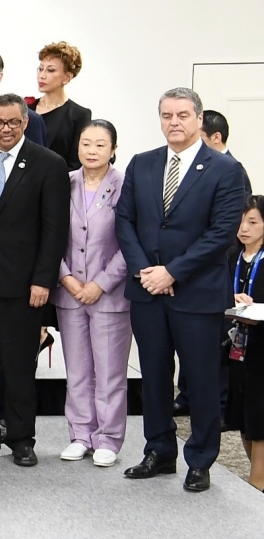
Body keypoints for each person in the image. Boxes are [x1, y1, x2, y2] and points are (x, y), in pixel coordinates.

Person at [119, 87, 251, 492]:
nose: (173, 122)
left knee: (200, 379)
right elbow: (124, 221)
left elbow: (222, 233)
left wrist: (172, 272)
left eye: (181, 115)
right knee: (154, 376)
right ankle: (159, 451)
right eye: (166, 115)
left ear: (198, 119)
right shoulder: (142, 164)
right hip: (147, 292)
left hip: (196, 293)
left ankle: (200, 460)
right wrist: (146, 271)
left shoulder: (225, 169)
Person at [0, 93, 70, 467]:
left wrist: (43, 280)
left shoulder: (48, 163)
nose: (5, 129)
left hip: (23, 284)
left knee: (19, 364)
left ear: (25, 122)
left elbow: (55, 230)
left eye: (13, 122)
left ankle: (21, 438)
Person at [55, 120, 130, 468]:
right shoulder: (63, 183)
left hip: (110, 295)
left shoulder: (126, 186)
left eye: (101, 145)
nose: (92, 151)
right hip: (69, 292)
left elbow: (133, 243)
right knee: (78, 369)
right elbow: (49, 235)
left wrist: (100, 283)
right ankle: (80, 435)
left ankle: (108, 438)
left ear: (113, 149)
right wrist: (67, 278)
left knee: (110, 372)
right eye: (86, 144)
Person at [225, 197, 264, 490]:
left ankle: (257, 482)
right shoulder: (230, 256)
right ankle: (256, 474)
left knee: (259, 413)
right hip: (237, 344)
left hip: (262, 345)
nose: (244, 229)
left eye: (252, 222)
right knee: (240, 412)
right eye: (240, 222)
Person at [31, 42, 92, 168]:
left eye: (51, 70)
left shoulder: (78, 115)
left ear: (67, 77)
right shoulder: (26, 108)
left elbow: (75, 163)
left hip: (57, 183)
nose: (42, 76)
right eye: (41, 68)